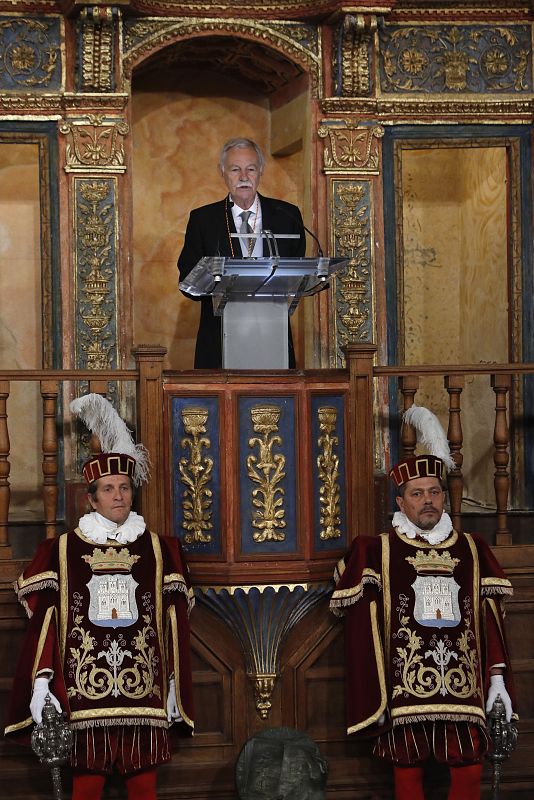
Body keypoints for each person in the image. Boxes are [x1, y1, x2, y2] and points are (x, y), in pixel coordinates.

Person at [5, 394, 194, 800]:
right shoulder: (62, 550)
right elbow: (47, 621)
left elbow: (173, 621)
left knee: (144, 788)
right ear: (92, 498)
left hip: (143, 694)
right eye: (108, 489)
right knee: (86, 788)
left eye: (124, 487)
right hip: (82, 696)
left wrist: (174, 685)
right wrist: (42, 682)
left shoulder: (159, 549)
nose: (118, 496)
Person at [329, 405, 516, 800]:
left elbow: (489, 619)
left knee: (469, 773)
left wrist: (497, 679)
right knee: (407, 775)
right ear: (401, 503)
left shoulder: (472, 549)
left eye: (434, 492)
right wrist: (377, 691)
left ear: (443, 498)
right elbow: (363, 623)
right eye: (417, 494)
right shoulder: (379, 550)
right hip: (405, 691)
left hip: (464, 691)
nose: (427, 501)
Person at [178, 137, 306, 369]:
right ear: (223, 173)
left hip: (272, 335)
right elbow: (187, 277)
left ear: (261, 171)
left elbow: (298, 270)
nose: (244, 177)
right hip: (219, 339)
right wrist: (215, 281)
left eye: (251, 169)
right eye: (235, 169)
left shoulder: (287, 215)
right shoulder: (204, 220)